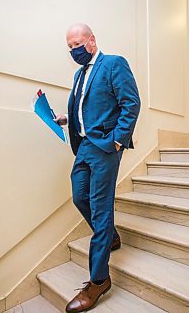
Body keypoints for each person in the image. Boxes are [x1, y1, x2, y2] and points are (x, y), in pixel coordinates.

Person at [53, 23, 140, 313]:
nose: (74, 50)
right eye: (69, 47)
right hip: (85, 147)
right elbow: (86, 110)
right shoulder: (80, 74)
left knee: (101, 208)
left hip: (105, 147)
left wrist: (117, 141)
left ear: (92, 40)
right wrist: (65, 119)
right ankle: (111, 235)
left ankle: (99, 280)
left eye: (77, 43)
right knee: (80, 196)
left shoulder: (113, 64)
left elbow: (131, 104)